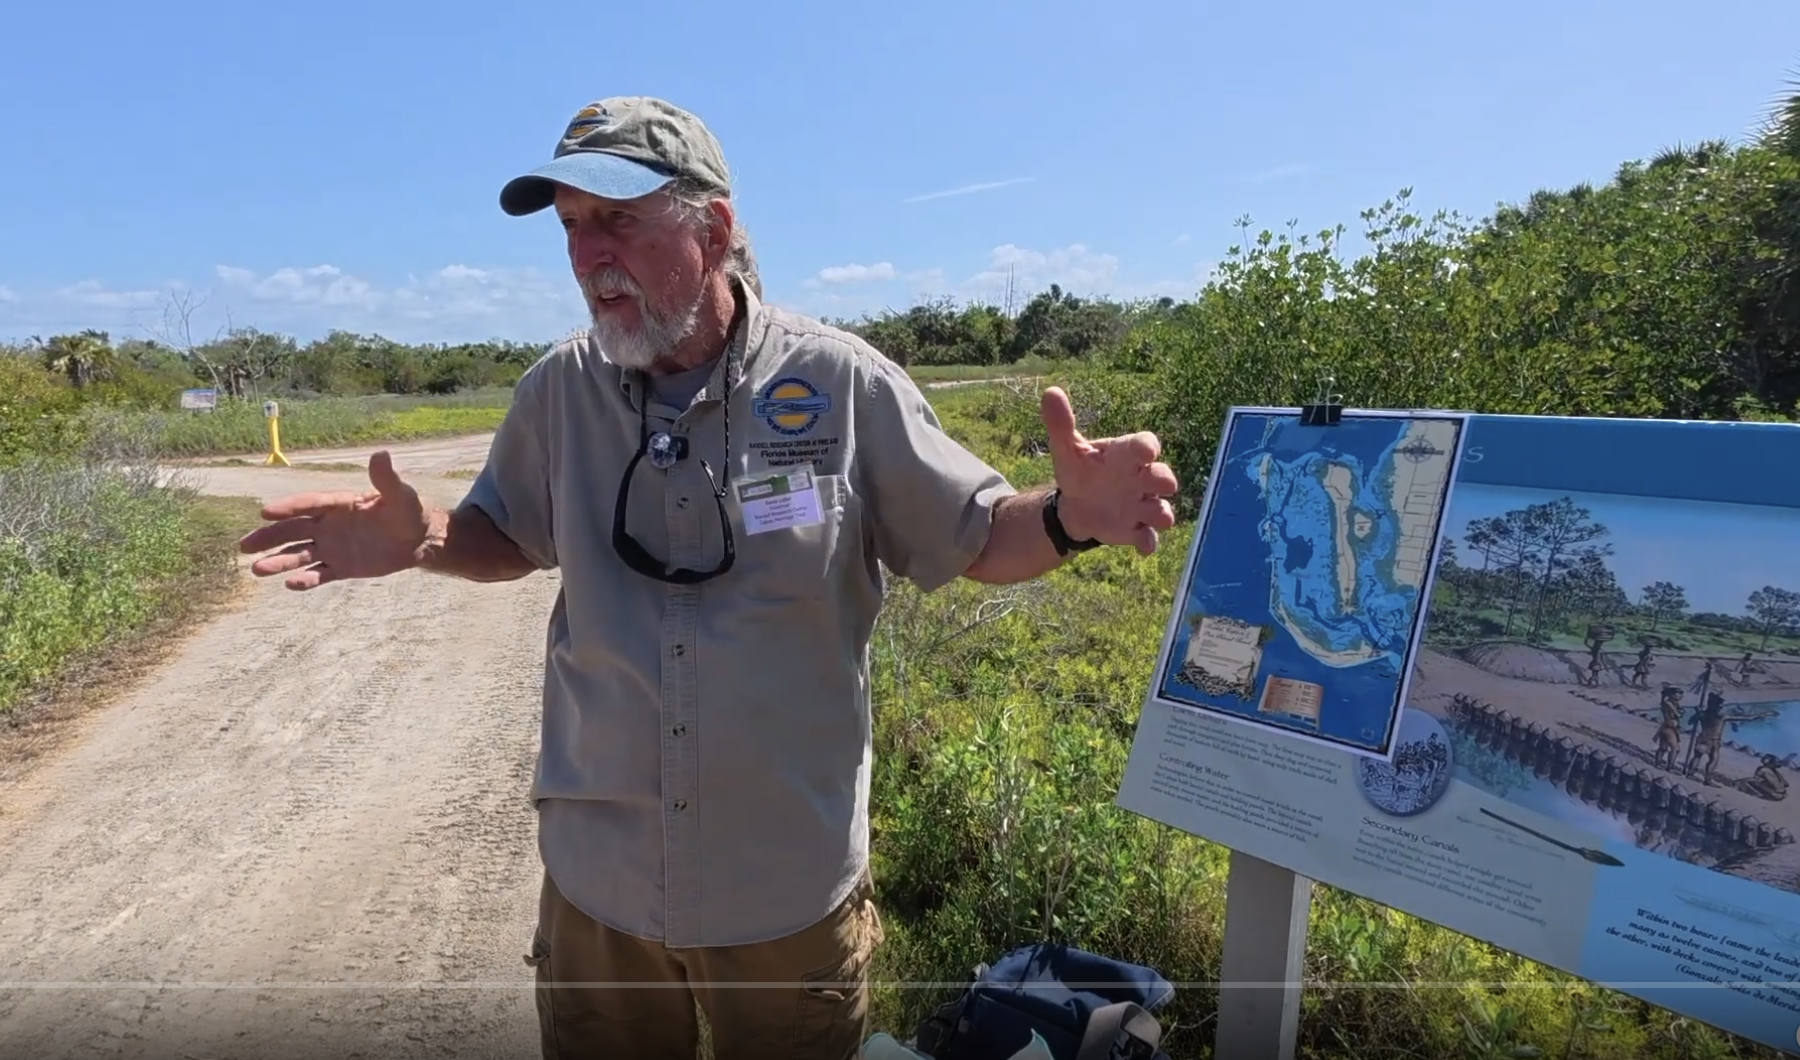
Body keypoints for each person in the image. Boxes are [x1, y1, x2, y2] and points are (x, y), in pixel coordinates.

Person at [237, 95, 1180, 1060]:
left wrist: (1069, 518)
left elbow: (977, 537)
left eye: (618, 220)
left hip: (782, 890)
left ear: (715, 227)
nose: (589, 257)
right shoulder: (558, 390)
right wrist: (428, 535)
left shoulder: (841, 383)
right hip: (600, 889)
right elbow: (508, 537)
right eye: (571, 228)